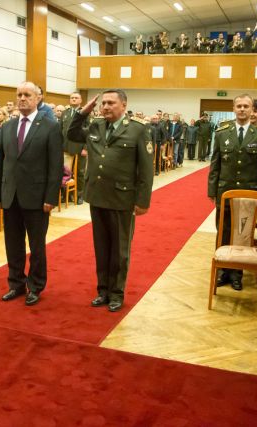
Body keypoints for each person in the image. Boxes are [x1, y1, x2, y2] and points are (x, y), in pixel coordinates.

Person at [67, 89, 154, 312]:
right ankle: (102, 290)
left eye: (111, 103)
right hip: (98, 196)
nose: (105, 106)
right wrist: (83, 112)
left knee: (120, 251)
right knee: (102, 247)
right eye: (103, 103)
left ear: (123, 105)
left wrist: (143, 201)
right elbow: (72, 134)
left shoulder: (138, 129)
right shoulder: (96, 125)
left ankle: (117, 293)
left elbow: (146, 169)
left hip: (122, 198)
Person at [0, 81, 63, 306]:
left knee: (37, 246)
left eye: (27, 95)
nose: (22, 98)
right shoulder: (7, 127)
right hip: (10, 195)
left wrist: (51, 197)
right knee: (13, 244)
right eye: (19, 94)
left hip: (37, 197)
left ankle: (36, 285)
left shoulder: (50, 126)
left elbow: (55, 166)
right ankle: (16, 284)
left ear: (38, 98)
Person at [208, 94, 257, 291]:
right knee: (223, 231)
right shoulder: (222, 133)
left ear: (252, 110)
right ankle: (222, 270)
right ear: (233, 109)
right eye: (239, 106)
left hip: (249, 194)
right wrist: (212, 190)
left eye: (246, 106)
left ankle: (237, 273)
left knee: (242, 235)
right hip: (225, 191)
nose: (242, 109)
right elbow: (215, 164)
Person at [61, 92, 86, 203]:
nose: (74, 99)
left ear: (81, 100)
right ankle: (66, 195)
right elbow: (60, 130)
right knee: (66, 173)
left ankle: (79, 194)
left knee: (80, 172)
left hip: (79, 148)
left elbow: (90, 132)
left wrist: (85, 148)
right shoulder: (65, 113)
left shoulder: (85, 112)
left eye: (76, 98)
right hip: (66, 148)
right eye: (72, 98)